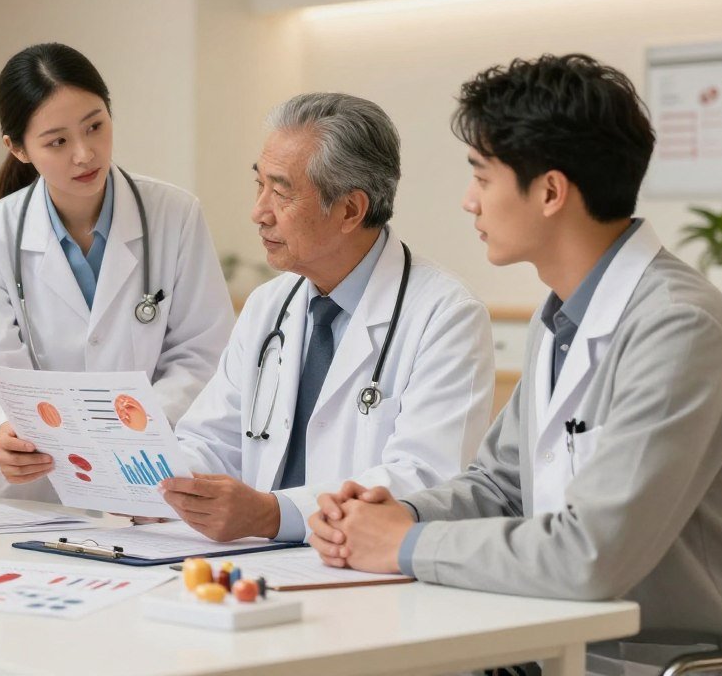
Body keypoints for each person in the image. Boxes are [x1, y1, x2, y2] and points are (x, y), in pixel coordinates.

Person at [309, 54, 722, 673]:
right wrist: (395, 513)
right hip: (560, 643)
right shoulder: (561, 318)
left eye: (482, 177)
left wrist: (405, 544)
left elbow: (591, 555)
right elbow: (500, 486)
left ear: (550, 191)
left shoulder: (678, 326)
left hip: (669, 663)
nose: (468, 201)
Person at [166, 92, 496, 542]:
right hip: (254, 562)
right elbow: (210, 441)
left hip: (367, 570)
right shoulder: (268, 306)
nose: (259, 212)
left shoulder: (446, 316)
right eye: (259, 185)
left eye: (281, 192)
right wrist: (160, 484)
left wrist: (273, 515)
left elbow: (426, 479)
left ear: (350, 210)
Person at [0, 42, 235, 503]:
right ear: (17, 148)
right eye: (57, 141)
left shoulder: (174, 214)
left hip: (148, 469)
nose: (85, 154)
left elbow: (203, 351)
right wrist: (6, 430)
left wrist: (128, 428)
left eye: (95, 127)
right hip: (38, 482)